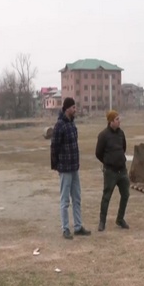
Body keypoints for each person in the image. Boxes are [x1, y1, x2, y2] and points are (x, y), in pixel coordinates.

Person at [50, 97, 91, 240]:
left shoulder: (72, 125)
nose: (75, 110)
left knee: (77, 198)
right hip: (65, 169)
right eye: (73, 107)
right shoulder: (59, 126)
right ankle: (65, 228)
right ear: (67, 109)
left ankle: (78, 227)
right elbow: (54, 147)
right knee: (65, 200)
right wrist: (57, 166)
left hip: (74, 168)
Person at [95, 110, 130, 231]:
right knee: (106, 197)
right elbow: (98, 153)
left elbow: (123, 148)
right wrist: (108, 162)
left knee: (125, 194)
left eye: (119, 119)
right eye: (117, 119)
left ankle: (120, 219)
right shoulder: (103, 135)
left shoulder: (121, 134)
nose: (119, 121)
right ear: (111, 122)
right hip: (110, 171)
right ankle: (102, 222)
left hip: (122, 170)